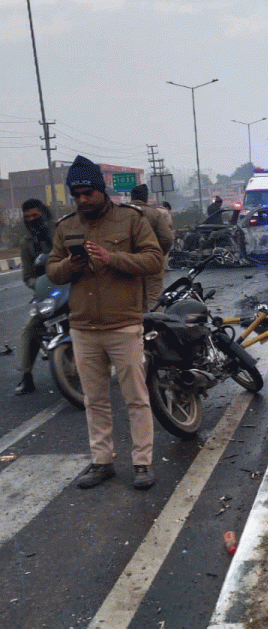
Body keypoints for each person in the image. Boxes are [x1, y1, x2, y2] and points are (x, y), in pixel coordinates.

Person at [47, 156, 163, 490]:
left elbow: (154, 259)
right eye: (76, 194)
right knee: (94, 400)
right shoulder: (66, 226)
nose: (81, 200)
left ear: (101, 191)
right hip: (83, 326)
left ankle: (142, 463)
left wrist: (113, 259)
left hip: (122, 324)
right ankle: (102, 461)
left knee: (136, 398)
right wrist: (71, 266)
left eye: (87, 193)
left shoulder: (130, 219)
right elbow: (53, 272)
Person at [15, 198, 54, 394]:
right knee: (30, 327)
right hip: (46, 292)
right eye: (28, 217)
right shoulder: (26, 243)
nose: (32, 219)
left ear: (44, 213)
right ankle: (26, 376)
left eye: (35, 215)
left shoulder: (60, 231)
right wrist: (38, 286)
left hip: (73, 286)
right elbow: (28, 276)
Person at [130, 184, 174, 308]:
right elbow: (168, 238)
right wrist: (159, 254)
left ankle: (138, 326)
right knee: (154, 298)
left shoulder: (120, 214)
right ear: (146, 198)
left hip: (129, 262)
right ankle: (154, 325)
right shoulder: (155, 214)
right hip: (152, 262)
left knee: (133, 299)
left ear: (132, 197)